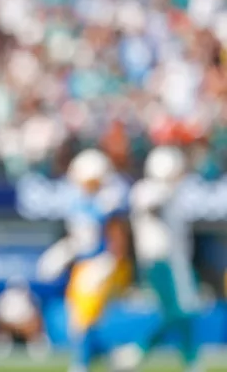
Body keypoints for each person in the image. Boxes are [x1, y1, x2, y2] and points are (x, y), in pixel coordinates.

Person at [37, 149, 133, 372]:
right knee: (79, 320)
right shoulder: (76, 202)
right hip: (83, 265)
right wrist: (63, 253)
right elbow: (79, 239)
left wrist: (110, 261)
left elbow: (117, 236)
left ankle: (81, 364)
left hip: (102, 263)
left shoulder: (107, 202)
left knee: (84, 318)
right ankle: (114, 359)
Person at [111, 147, 204, 372]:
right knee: (178, 311)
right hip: (161, 260)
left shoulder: (173, 192)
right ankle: (138, 350)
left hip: (174, 260)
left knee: (185, 310)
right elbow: (152, 204)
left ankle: (190, 360)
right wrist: (167, 186)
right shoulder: (149, 190)